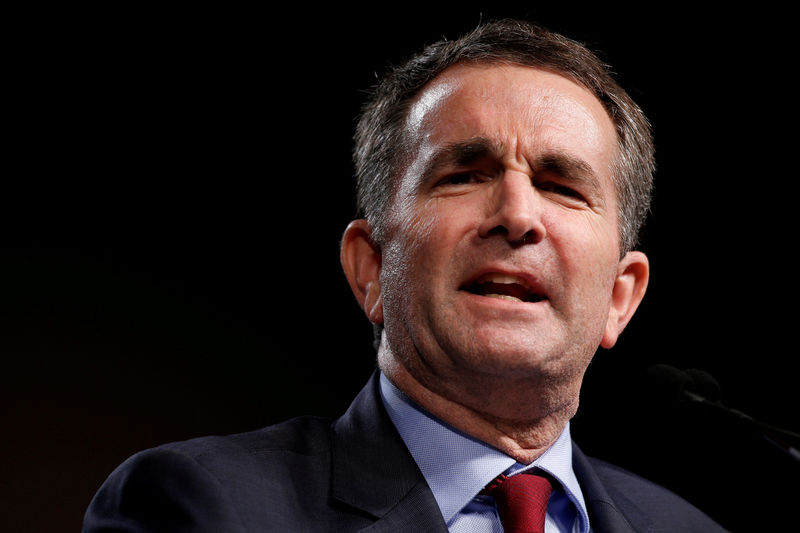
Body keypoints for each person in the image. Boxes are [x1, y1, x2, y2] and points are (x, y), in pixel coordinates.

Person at [83, 19, 728, 532]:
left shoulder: (690, 527)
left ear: (621, 296)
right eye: (464, 175)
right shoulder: (204, 507)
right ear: (369, 267)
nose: (516, 215)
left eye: (561, 186)